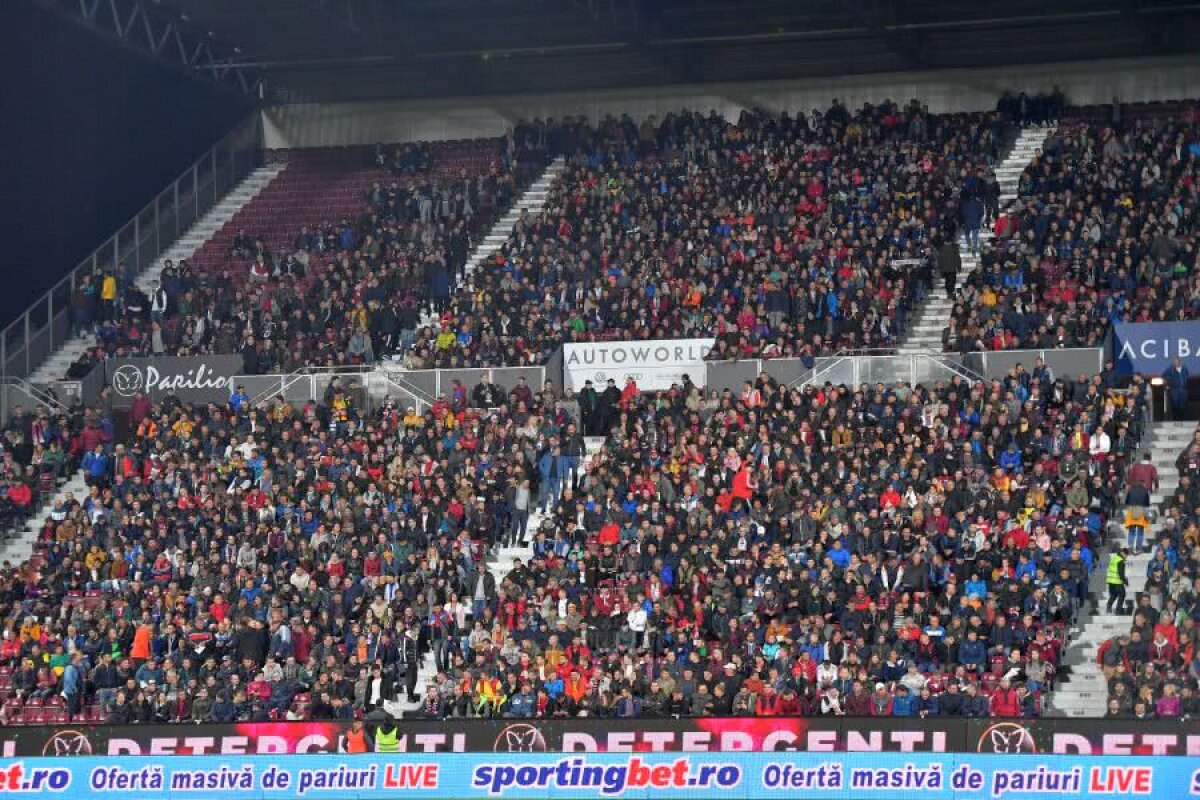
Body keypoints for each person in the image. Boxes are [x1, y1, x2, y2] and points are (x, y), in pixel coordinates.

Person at [1105, 548, 1129, 614]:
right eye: (1126, 555)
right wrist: (1125, 581)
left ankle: (1109, 606)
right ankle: (1118, 610)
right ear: (1123, 553)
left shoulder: (1114, 558)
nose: (1126, 556)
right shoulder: (1120, 561)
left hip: (1110, 581)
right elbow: (1121, 573)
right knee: (1122, 594)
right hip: (1117, 581)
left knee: (1114, 594)